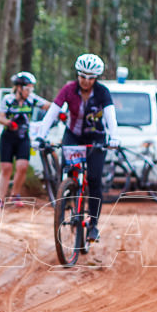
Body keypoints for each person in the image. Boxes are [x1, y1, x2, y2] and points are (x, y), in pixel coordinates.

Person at [35, 53, 121, 243]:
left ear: (96, 78)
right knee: (68, 170)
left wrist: (114, 137)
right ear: (77, 75)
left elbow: (111, 117)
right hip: (73, 135)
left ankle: (93, 225)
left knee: (93, 178)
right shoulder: (68, 89)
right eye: (83, 77)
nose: (86, 81)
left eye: (91, 78)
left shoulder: (102, 92)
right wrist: (41, 135)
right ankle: (67, 194)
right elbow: (52, 112)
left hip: (96, 137)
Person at [0, 71, 51, 208]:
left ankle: (15, 195)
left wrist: (60, 107)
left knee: (22, 166)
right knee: (6, 168)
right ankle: (1, 198)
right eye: (27, 88)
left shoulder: (31, 99)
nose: (29, 91)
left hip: (23, 137)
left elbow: (48, 105)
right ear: (19, 88)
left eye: (31, 88)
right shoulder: (8, 99)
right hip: (8, 137)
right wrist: (8, 123)